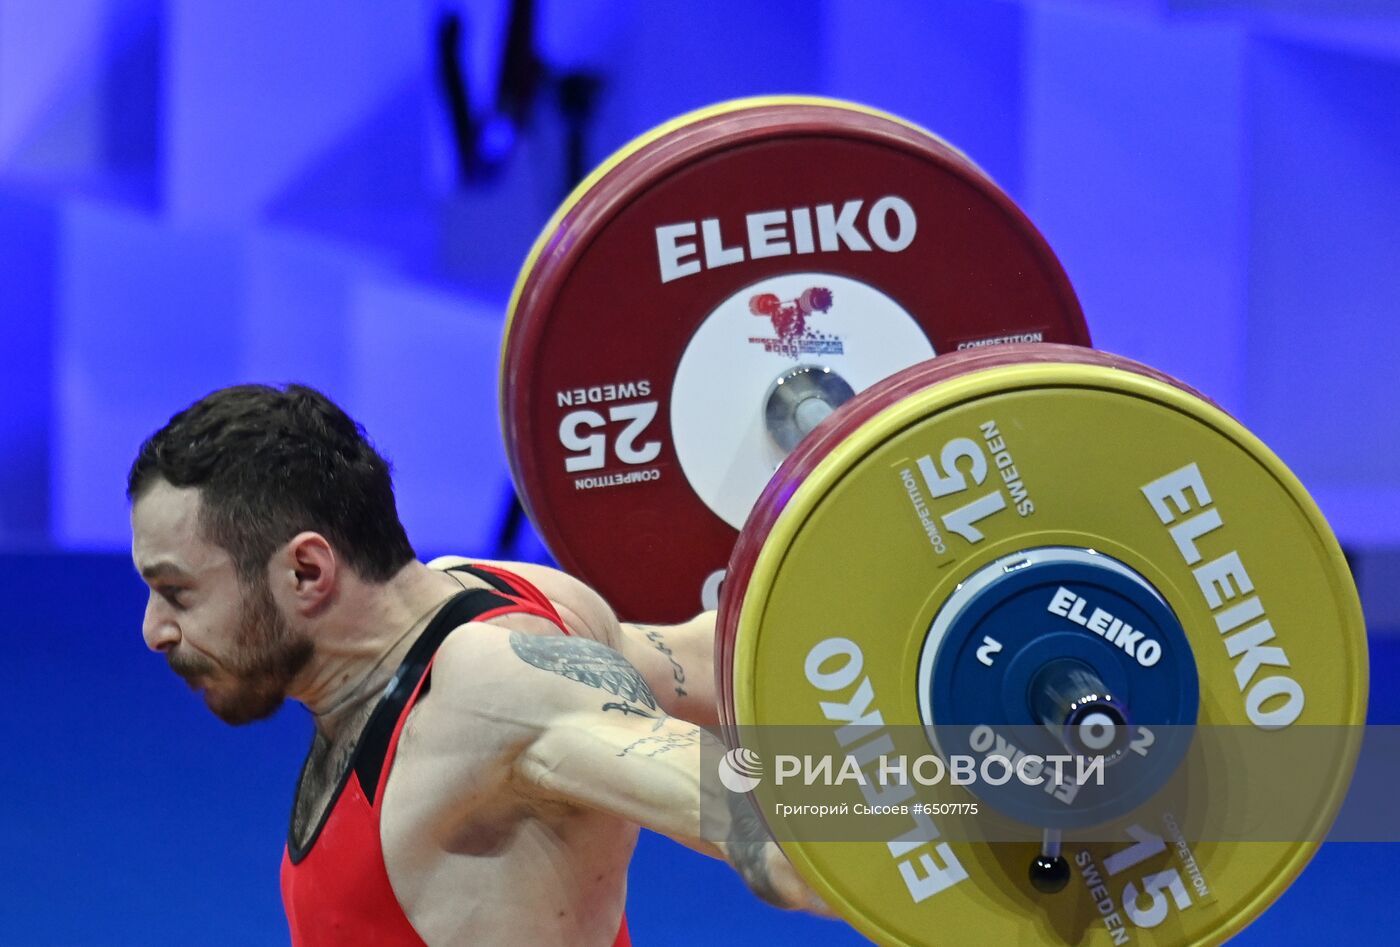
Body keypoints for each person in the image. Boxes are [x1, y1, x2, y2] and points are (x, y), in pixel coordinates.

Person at [127, 383, 828, 946]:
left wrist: (926, 778)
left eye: (177, 592)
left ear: (308, 570)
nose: (154, 629)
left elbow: (769, 824)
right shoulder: (488, 589)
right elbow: (713, 659)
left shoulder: (492, 695)